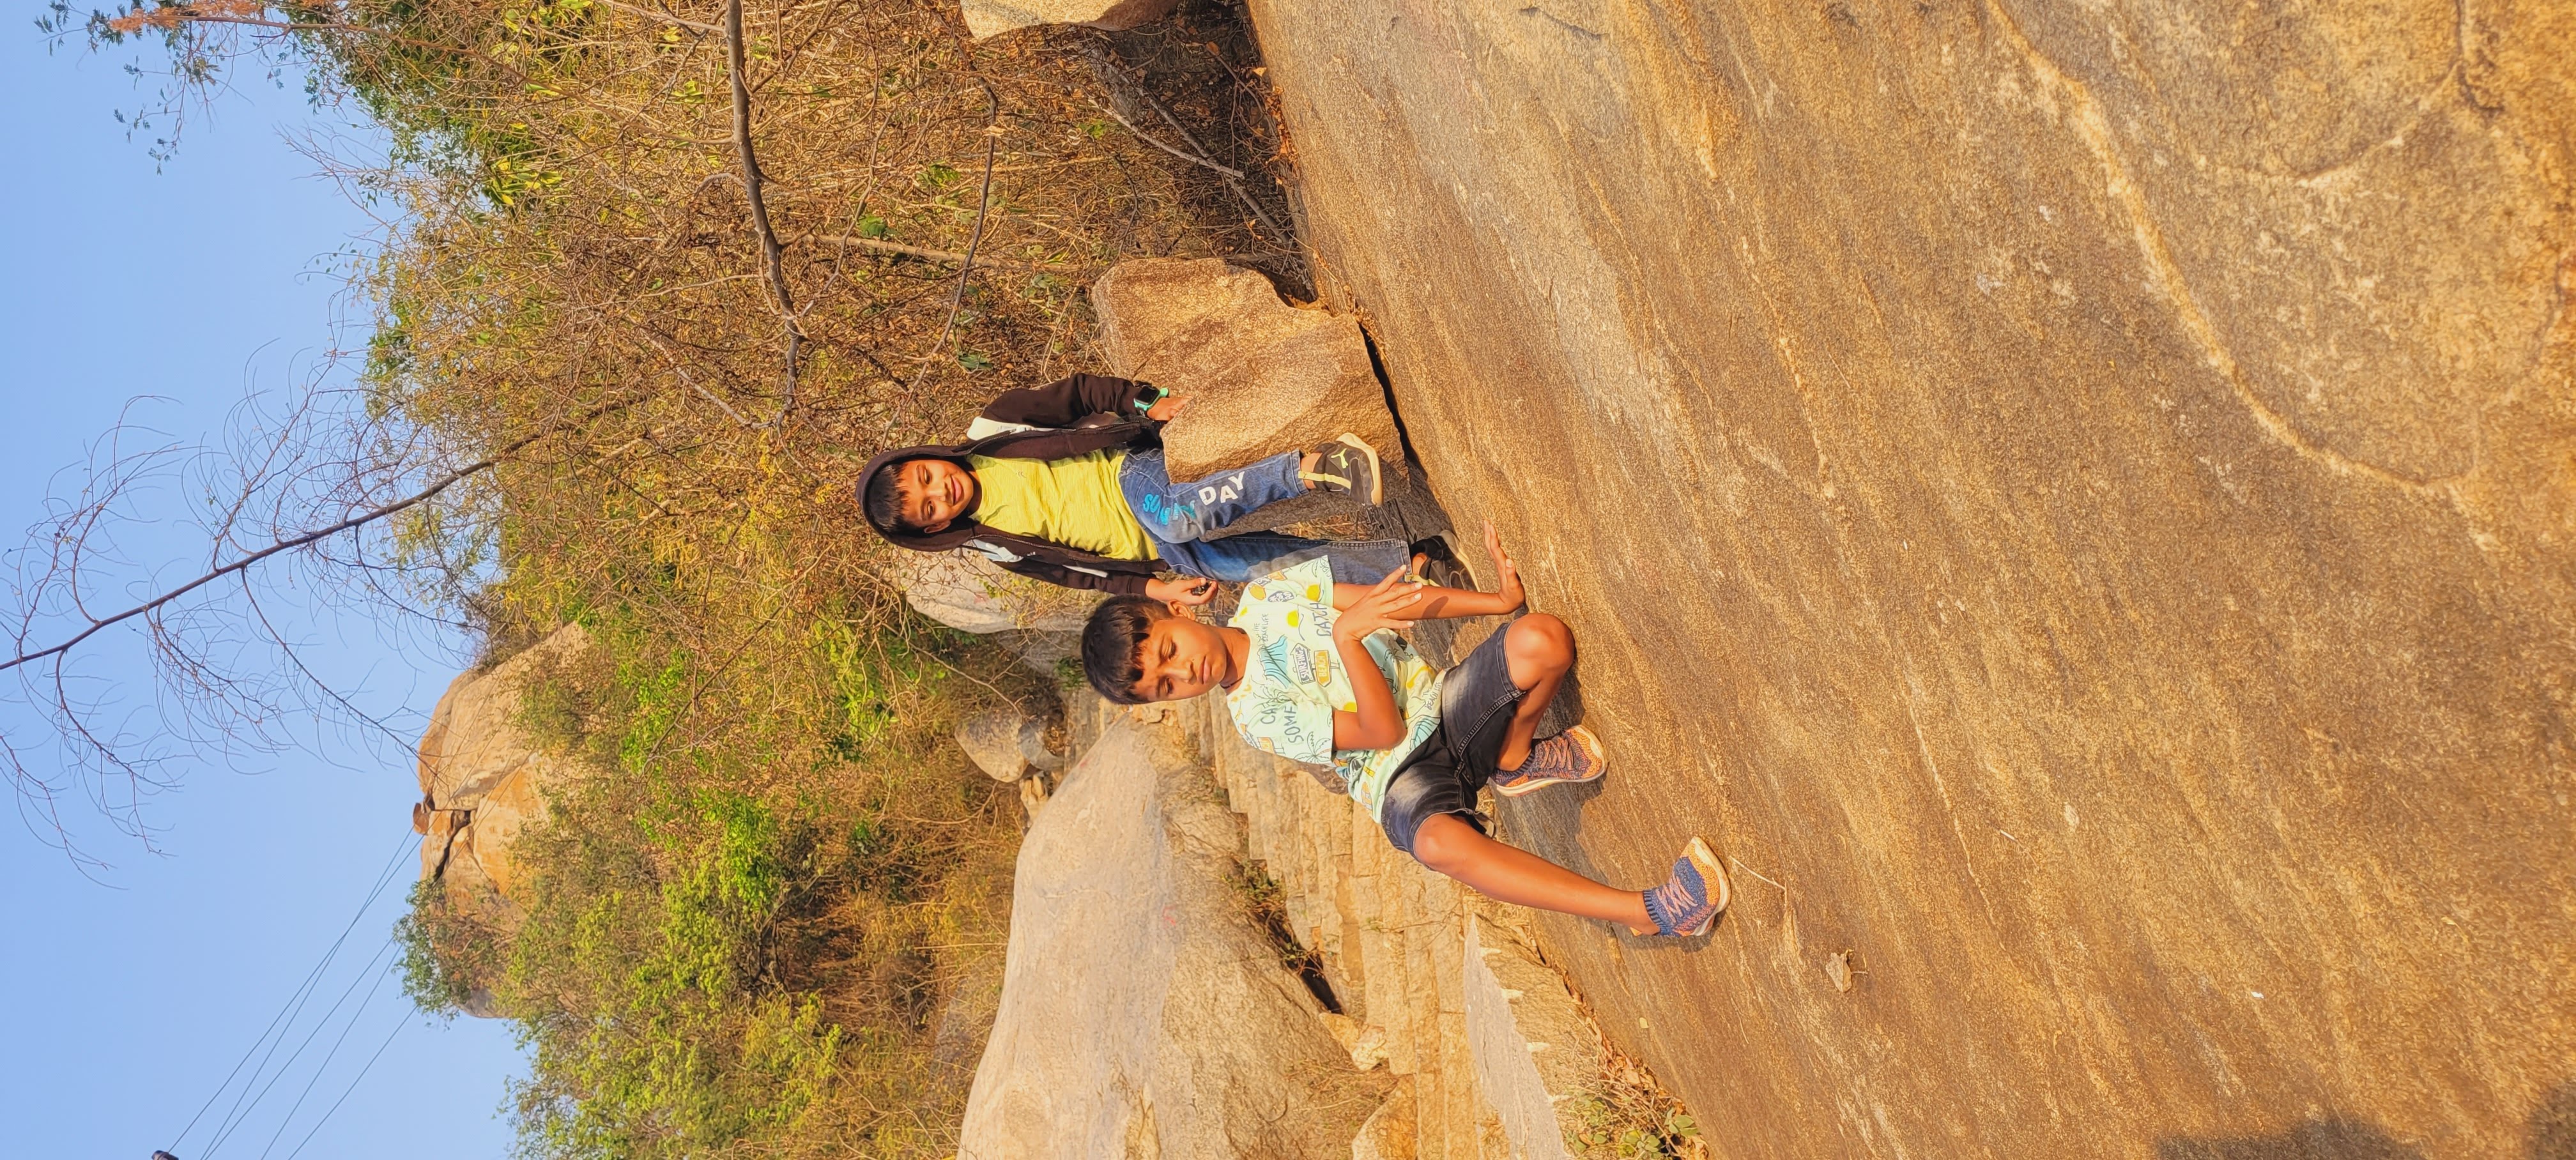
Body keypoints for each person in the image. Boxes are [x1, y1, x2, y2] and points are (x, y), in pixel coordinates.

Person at [1077, 522, 1728, 937]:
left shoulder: (1269, 595)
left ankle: (1514, 758)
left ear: (1167, 612)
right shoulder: (1256, 718)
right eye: (1166, 686)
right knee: (1441, 847)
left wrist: (1497, 604)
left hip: (1440, 705)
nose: (1183, 670)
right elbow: (1380, 731)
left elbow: (1393, 601)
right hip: (1399, 781)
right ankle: (1650, 912)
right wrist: (1346, 641)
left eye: (1167, 651)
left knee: (1543, 638)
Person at [858, 372, 1419, 605]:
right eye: (930, 506)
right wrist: (1156, 591)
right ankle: (1408, 564)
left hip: (1132, 476)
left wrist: (1146, 402)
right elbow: (1077, 574)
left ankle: (1312, 466)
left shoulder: (993, 430)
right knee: (1260, 571)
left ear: (924, 456)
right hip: (1154, 548)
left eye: (927, 477)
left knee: (1176, 516)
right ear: (934, 527)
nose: (941, 491)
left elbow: (1079, 394)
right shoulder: (994, 546)